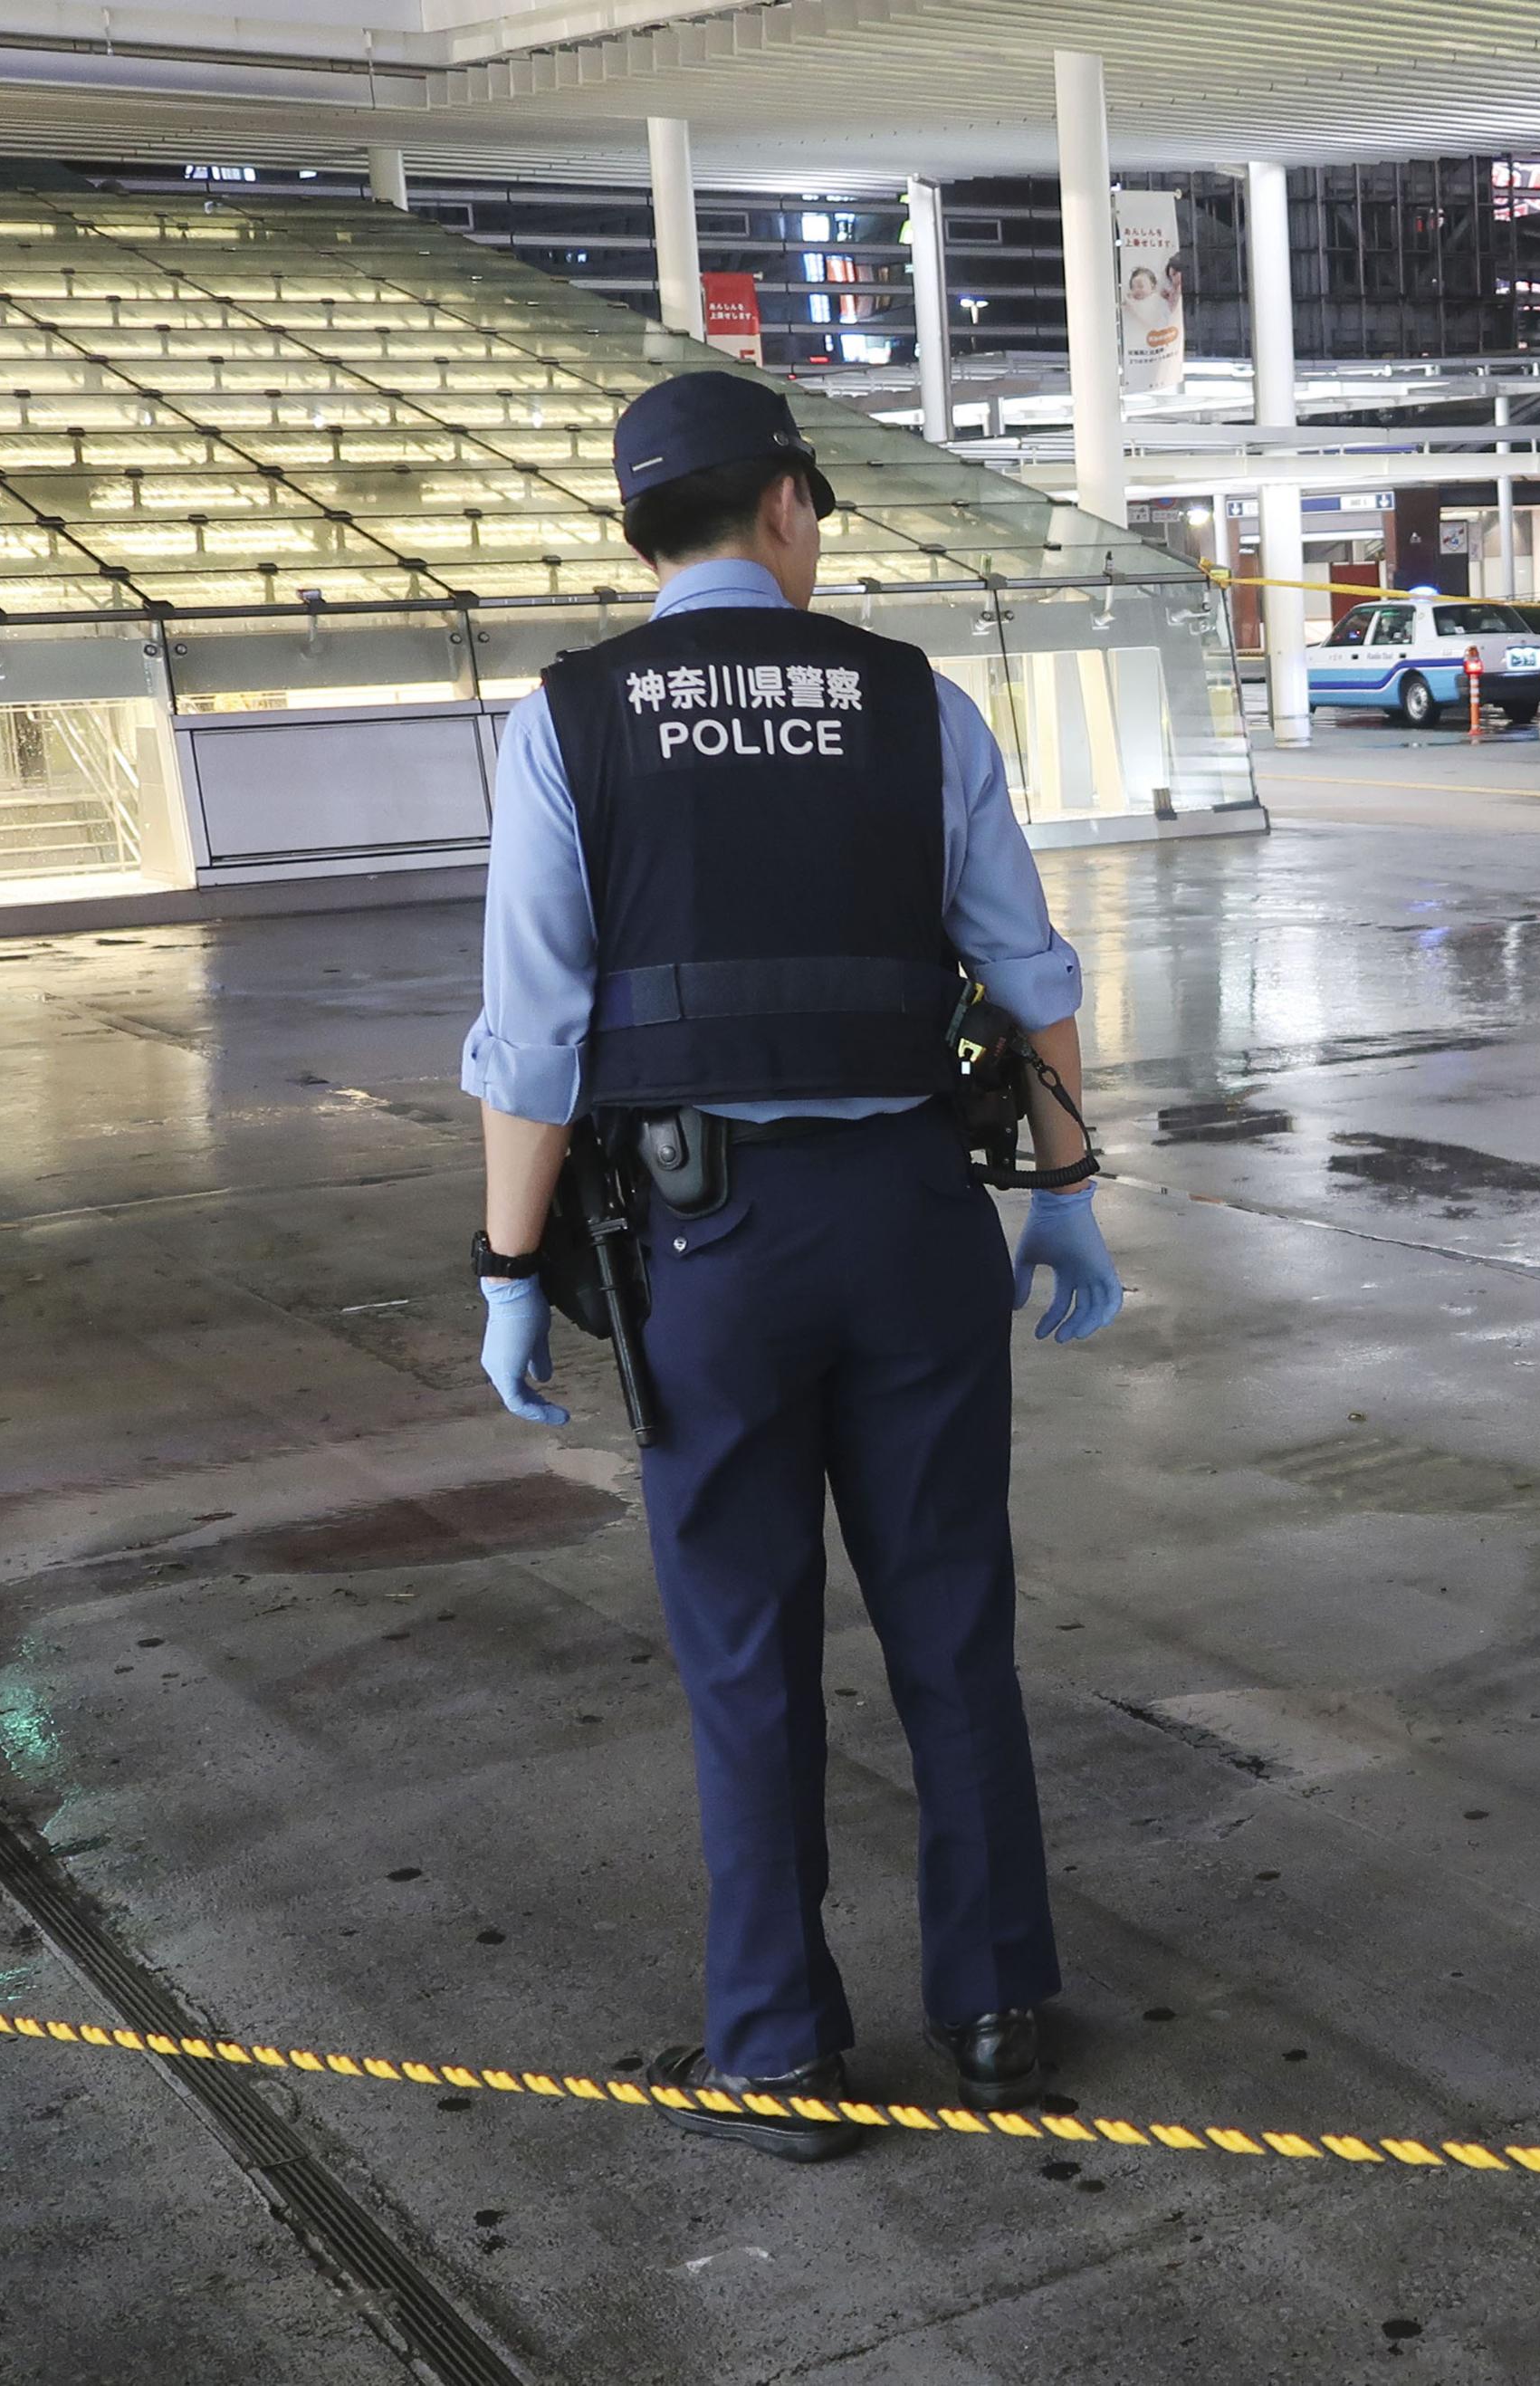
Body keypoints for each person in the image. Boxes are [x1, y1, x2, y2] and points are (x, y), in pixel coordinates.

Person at [461, 371, 1123, 2162]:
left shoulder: (571, 725)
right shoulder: (914, 703)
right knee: (951, 1624)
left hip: (711, 1247)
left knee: (747, 1653)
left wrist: (510, 1266)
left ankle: (776, 2052)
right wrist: (1064, 1189)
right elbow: (1033, 973)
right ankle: (992, 2007)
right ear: (780, 511)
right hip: (916, 1220)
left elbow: (530, 1040)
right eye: (812, 511)